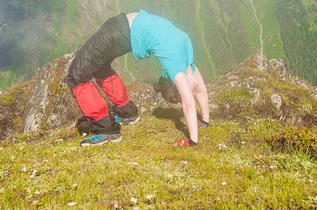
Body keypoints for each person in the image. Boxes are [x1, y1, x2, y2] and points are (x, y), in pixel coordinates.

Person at [65, 10, 210, 147]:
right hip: (122, 31)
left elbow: (189, 103)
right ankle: (127, 113)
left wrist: (193, 140)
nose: (193, 91)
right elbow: (199, 91)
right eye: (190, 91)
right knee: (100, 67)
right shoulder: (186, 67)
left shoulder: (180, 63)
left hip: (121, 31)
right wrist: (204, 122)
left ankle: (105, 129)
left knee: (76, 75)